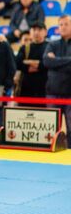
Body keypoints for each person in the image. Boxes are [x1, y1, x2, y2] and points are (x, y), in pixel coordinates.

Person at [43, 15, 71, 148]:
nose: (63, 27)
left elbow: (53, 62)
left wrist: (56, 61)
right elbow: (47, 61)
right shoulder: (52, 44)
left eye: (66, 24)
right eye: (60, 24)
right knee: (52, 130)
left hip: (70, 95)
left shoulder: (52, 48)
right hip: (53, 93)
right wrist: (68, 60)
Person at [14, 22, 48, 100]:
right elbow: (18, 63)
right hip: (25, 89)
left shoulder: (50, 46)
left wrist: (28, 62)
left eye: (39, 29)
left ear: (45, 32)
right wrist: (39, 64)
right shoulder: (25, 48)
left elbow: (49, 63)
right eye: (34, 29)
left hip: (44, 89)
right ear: (30, 32)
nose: (36, 32)